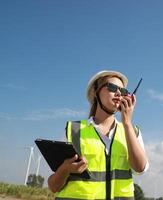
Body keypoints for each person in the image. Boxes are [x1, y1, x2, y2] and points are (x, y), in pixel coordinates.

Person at [48, 70, 149, 200]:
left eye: (123, 91)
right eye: (112, 87)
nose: (118, 93)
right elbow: (53, 186)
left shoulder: (132, 131)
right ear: (96, 92)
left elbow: (140, 168)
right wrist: (65, 169)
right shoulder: (73, 130)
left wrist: (127, 123)